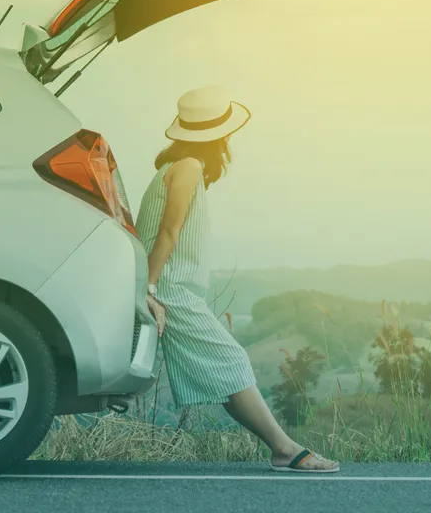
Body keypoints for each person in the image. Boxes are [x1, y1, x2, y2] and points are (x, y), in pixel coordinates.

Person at [135, 85, 339, 473]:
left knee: (228, 365)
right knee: (231, 361)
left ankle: (284, 448)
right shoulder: (190, 166)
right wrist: (150, 288)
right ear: (217, 136)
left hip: (169, 285)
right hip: (170, 287)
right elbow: (168, 233)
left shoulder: (175, 166)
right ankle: (285, 449)